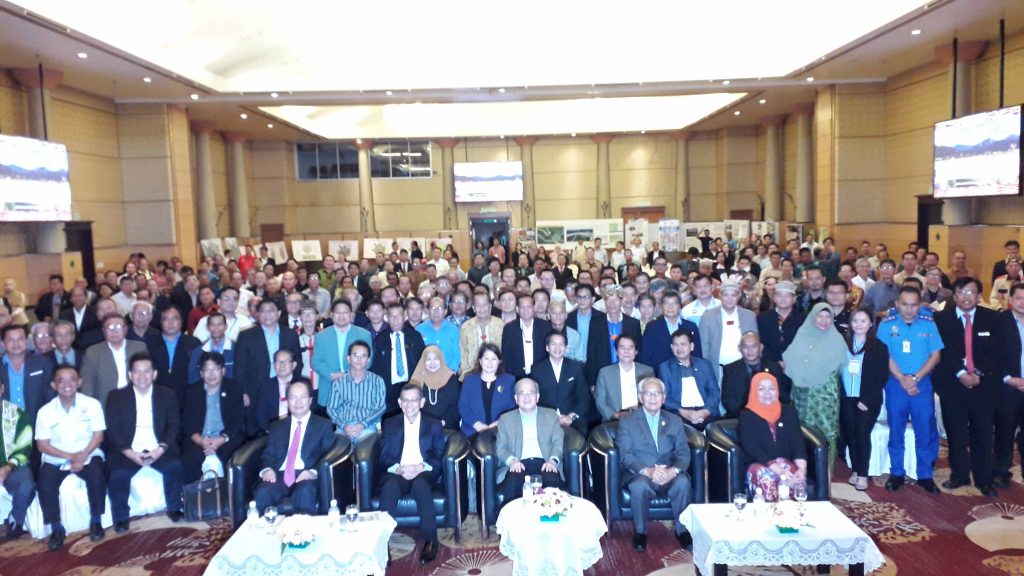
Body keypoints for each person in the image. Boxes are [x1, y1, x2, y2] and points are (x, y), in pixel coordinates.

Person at [933, 277, 999, 497]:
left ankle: (984, 479)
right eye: (961, 292)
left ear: (979, 296)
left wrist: (978, 373)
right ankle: (959, 475)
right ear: (954, 296)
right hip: (953, 385)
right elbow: (943, 350)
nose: (966, 297)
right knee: (956, 433)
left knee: (983, 433)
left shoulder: (992, 318)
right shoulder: (941, 319)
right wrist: (961, 373)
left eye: (971, 292)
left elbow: (997, 352)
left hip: (983, 386)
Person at [104, 353, 185, 532]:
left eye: (146, 371)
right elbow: (114, 430)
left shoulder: (167, 394)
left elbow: (174, 425)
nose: (142, 376)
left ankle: (175, 507)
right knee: (118, 475)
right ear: (130, 374)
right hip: (128, 449)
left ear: (154, 374)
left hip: (158, 446)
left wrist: (160, 450)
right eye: (137, 372)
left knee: (175, 466)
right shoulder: (116, 397)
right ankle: (121, 517)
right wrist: (131, 454)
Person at [878, 286, 943, 493]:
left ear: (919, 305)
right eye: (904, 304)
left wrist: (915, 378)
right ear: (897, 304)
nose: (909, 309)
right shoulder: (886, 325)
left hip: (921, 384)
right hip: (896, 384)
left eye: (913, 305)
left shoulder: (929, 324)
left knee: (924, 430)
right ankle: (896, 472)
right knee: (896, 429)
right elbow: (885, 356)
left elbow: (935, 355)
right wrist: (902, 379)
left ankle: (925, 474)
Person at [617, 377, 692, 552]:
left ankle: (682, 530)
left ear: (664, 398)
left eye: (657, 393)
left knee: (683, 482)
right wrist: (648, 471)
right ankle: (640, 532)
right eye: (648, 393)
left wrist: (673, 471)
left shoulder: (674, 420)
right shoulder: (627, 421)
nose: (652, 397)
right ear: (640, 397)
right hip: (641, 473)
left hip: (669, 471)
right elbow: (625, 454)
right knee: (639, 487)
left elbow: (683, 451)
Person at [35, 365, 106, 548]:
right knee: (45, 482)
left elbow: (98, 435)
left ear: (79, 382)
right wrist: (70, 456)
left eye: (72, 379)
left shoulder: (92, 404)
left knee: (97, 475)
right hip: (57, 457)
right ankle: (56, 528)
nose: (67, 384)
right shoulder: (45, 411)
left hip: (87, 453)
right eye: (61, 380)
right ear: (53, 385)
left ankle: (96, 521)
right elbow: (42, 445)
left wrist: (83, 455)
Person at [379, 383, 446, 564]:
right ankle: (382, 543)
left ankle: (431, 539)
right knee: (389, 487)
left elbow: (439, 455)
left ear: (422, 402)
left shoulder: (433, 424)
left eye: (414, 400)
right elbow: (384, 456)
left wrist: (420, 467)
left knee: (421, 486)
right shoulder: (390, 423)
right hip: (398, 471)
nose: (409, 405)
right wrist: (398, 468)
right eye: (405, 401)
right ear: (399, 403)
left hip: (423, 470)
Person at [254, 380, 336, 515]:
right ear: (287, 401)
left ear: (310, 400)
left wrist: (313, 472)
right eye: (293, 398)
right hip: (279, 476)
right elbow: (268, 455)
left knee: (305, 490)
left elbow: (328, 455)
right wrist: (267, 469)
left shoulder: (323, 425)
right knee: (263, 491)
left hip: (306, 475)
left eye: (302, 397)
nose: (298, 402)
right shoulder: (277, 426)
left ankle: (303, 529)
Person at [783, 303, 847, 474]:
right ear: (813, 317)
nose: (824, 321)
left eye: (828, 317)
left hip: (825, 396)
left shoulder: (836, 340)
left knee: (825, 432)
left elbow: (840, 368)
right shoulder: (802, 335)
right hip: (801, 394)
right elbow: (790, 362)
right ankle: (802, 471)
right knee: (800, 431)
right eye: (820, 316)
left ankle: (825, 474)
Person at [839, 308, 889, 491]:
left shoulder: (878, 346)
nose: (858, 325)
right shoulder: (844, 343)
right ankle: (855, 469)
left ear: (870, 324)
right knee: (850, 435)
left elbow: (882, 376)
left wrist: (866, 399)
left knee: (861, 435)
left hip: (867, 400)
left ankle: (862, 474)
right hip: (847, 397)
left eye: (863, 321)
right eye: (855, 321)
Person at [495, 378, 564, 508]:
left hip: (545, 462)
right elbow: (501, 447)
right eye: (522, 393)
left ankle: (550, 519)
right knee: (512, 485)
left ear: (537, 397)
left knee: (552, 484)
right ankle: (514, 520)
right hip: (518, 464)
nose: (526, 397)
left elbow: (558, 442)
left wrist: (552, 461)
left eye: (530, 393)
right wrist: (512, 461)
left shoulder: (551, 415)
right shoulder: (505, 419)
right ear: (516, 398)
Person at [738, 373, 807, 502]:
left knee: (797, 481)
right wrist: (777, 469)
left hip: (785, 462)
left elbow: (798, 442)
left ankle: (793, 513)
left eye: (771, 388)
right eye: (761, 389)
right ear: (754, 391)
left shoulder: (789, 411)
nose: (767, 392)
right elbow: (751, 447)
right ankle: (772, 513)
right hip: (758, 463)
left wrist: (802, 469)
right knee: (767, 478)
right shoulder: (746, 415)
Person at [180, 352, 245, 482]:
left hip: (226, 438)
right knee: (190, 458)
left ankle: (224, 493)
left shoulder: (234, 388)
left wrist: (221, 439)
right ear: (201, 373)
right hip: (199, 438)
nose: (211, 374)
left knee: (226, 458)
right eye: (206, 370)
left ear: (223, 370)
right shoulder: (192, 391)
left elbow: (237, 420)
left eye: (215, 369)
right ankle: (192, 494)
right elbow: (187, 422)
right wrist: (201, 441)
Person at [235, 299, 303, 415]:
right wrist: (243, 391)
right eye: (263, 311)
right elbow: (239, 367)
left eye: (270, 311)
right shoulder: (246, 336)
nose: (266, 315)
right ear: (258, 314)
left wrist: (294, 386)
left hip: (284, 388)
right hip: (256, 390)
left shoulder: (290, 334)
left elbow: (297, 363)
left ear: (279, 313)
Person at [312, 299, 373, 410]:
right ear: (331, 315)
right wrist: (332, 375)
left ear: (351, 315)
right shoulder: (321, 336)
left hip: (356, 386)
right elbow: (316, 362)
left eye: (345, 312)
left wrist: (349, 375)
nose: (341, 315)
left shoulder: (364, 334)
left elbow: (369, 360)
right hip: (329, 386)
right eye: (338, 312)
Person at [657, 328, 719, 431]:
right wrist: (683, 412)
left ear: (691, 346)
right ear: (671, 347)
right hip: (679, 413)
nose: (679, 348)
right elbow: (664, 397)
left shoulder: (705, 365)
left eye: (683, 344)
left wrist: (706, 411)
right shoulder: (665, 368)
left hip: (705, 412)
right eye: (676, 345)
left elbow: (714, 392)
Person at [720, 332, 792, 418]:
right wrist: (748, 416)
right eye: (745, 347)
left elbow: (783, 396)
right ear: (739, 348)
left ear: (761, 347)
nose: (750, 351)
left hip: (770, 416)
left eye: (754, 346)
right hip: (739, 417)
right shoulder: (730, 370)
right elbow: (728, 402)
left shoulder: (774, 368)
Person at [371, 302, 425, 415]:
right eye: (392, 316)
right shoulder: (380, 339)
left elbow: (421, 361)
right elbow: (375, 367)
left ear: (404, 316)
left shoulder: (415, 336)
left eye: (398, 316)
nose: (395, 319)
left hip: (411, 385)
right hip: (388, 389)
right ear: (386, 318)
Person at [327, 341, 385, 442]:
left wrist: (362, 425)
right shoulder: (339, 383)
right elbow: (331, 409)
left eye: (363, 356)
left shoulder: (377, 381)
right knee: (335, 449)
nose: (359, 359)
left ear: (368, 360)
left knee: (364, 451)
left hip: (367, 427)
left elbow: (380, 408)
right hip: (343, 428)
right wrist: (344, 425)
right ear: (348, 358)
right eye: (355, 355)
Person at [531, 332, 589, 434]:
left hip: (573, 420)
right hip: (546, 420)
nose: (557, 348)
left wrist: (571, 416)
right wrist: (554, 417)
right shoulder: (537, 369)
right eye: (553, 344)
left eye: (561, 344)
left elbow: (584, 397)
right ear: (547, 348)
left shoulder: (576, 367)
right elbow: (535, 399)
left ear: (566, 348)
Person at [145, 307, 201, 409]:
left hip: (187, 396)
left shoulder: (193, 343)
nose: (170, 323)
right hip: (157, 396)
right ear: (160, 322)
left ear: (181, 321)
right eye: (166, 319)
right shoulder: (150, 343)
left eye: (175, 319)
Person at [458, 343, 516, 439]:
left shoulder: (509, 380)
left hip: (501, 430)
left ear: (499, 362)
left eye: (493, 359)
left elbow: (512, 408)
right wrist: (477, 425)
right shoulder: (469, 380)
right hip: (473, 431)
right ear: (480, 361)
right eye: (486, 359)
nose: (490, 363)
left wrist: (496, 425)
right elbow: (463, 407)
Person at [698, 279, 758, 372]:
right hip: (717, 369)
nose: (729, 299)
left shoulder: (749, 316)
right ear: (720, 295)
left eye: (733, 295)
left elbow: (756, 345)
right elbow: (704, 347)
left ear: (738, 296)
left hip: (744, 369)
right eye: (726, 295)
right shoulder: (708, 317)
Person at [0, 376, 33, 541]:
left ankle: (15, 522)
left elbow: (24, 446)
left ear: (1, 389)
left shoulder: (17, 414)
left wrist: (8, 467)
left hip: (12, 467)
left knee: (27, 485)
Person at [997, 282, 1024, 487]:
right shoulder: (999, 322)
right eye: (1019, 298)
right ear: (1010, 300)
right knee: (1005, 430)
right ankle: (1001, 471)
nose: (1022, 302)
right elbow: (991, 356)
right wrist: (1008, 378)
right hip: (1007, 385)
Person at [1, 324, 55, 426]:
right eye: (10, 340)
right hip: (5, 425)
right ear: (3, 343)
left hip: (38, 422)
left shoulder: (42, 363)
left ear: (26, 341)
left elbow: (50, 394)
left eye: (20, 339)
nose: (16, 344)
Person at [595, 335, 654, 421]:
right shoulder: (605, 373)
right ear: (616, 351)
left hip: (641, 418)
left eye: (631, 348)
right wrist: (616, 415)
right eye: (622, 348)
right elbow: (600, 401)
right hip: (615, 419)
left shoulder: (647, 371)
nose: (627, 351)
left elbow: (652, 397)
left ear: (636, 351)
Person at [639, 290, 701, 369]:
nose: (670, 307)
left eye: (674, 303)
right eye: (666, 303)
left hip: (687, 371)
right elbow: (646, 356)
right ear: (661, 306)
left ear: (679, 305)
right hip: (659, 372)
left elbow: (697, 354)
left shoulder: (690, 327)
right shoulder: (652, 327)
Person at [409, 345, 461, 430]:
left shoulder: (451, 379)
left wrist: (442, 422)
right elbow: (411, 406)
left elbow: (456, 407)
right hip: (423, 427)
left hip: (448, 428)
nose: (432, 363)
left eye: (436, 359)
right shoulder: (417, 379)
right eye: (428, 359)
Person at [500, 293, 550, 379]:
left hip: (541, 375)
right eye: (522, 307)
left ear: (534, 308)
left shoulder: (545, 327)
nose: (526, 310)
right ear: (517, 309)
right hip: (516, 376)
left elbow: (548, 353)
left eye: (529, 307)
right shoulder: (509, 329)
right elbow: (506, 356)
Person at [459, 292, 506, 377]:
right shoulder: (465, 327)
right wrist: (465, 374)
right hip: (472, 372)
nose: (482, 309)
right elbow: (463, 353)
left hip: (497, 371)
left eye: (485, 305)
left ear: (490, 306)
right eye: (478, 305)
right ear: (473, 308)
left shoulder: (501, 325)